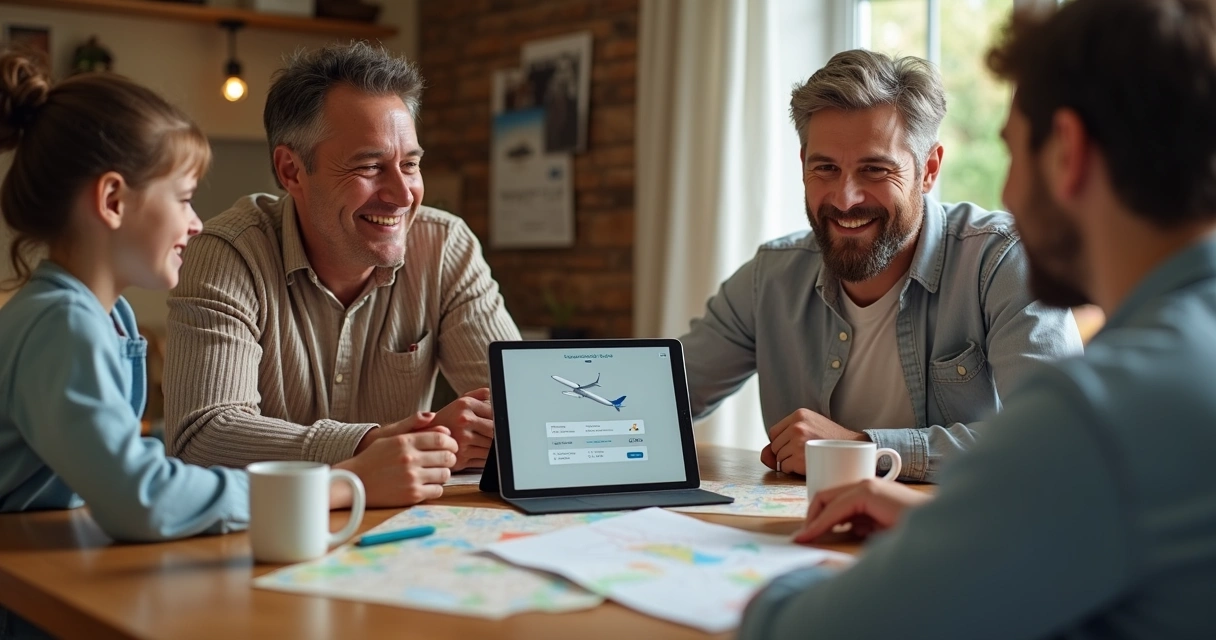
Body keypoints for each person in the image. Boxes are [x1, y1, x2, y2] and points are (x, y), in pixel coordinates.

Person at [740, 0, 1216, 637]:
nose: (1008, 192)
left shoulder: (1100, 410)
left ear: (1067, 152)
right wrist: (949, 531)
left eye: (1011, 151)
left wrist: (784, 584)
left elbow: (802, 630)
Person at [679, 49, 1082, 483]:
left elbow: (1057, 435)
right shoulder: (771, 278)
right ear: (803, 166)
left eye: (874, 169)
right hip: (806, 525)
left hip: (957, 523)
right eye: (826, 168)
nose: (845, 198)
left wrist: (862, 451)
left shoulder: (1002, 261)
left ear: (928, 170)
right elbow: (666, 396)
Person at [163, 42, 520, 508]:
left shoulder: (444, 246)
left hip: (403, 535)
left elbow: (521, 406)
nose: (402, 195)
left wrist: (461, 435)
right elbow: (202, 437)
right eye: (370, 166)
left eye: (410, 165)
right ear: (291, 171)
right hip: (269, 534)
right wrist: (374, 445)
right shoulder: (228, 253)